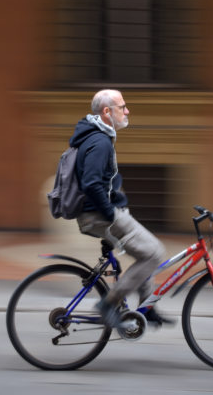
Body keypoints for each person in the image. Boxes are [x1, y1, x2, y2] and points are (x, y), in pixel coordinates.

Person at [69, 89, 170, 328]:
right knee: (154, 253)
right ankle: (108, 304)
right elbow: (92, 183)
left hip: (101, 213)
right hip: (100, 216)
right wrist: (111, 213)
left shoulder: (95, 135)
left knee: (147, 249)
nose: (127, 111)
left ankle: (147, 306)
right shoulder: (99, 141)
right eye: (122, 107)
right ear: (107, 112)